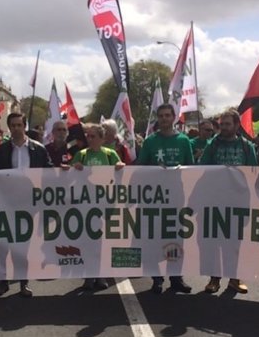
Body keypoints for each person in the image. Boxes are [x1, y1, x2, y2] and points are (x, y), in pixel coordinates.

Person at [0, 112, 53, 298]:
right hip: (7, 202)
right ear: (9, 127)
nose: (16, 129)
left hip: (30, 203)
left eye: (19, 125)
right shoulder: (1, 150)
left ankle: (23, 282)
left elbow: (48, 171)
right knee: (4, 243)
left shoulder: (39, 149)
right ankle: (3, 282)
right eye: (13, 125)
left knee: (25, 244)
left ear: (25, 126)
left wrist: (62, 171)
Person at [137, 103, 193, 294]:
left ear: (174, 117)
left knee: (176, 238)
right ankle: (157, 278)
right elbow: (141, 167)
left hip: (177, 198)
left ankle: (176, 277)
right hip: (154, 199)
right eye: (161, 116)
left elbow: (191, 169)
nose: (164, 119)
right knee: (154, 238)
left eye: (167, 115)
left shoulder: (184, 141)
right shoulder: (150, 142)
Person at [199, 109, 256, 295]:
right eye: (221, 124)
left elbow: (254, 173)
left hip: (239, 201)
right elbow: (202, 169)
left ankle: (235, 279)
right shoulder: (212, 145)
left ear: (237, 125)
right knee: (215, 241)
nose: (223, 128)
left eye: (227, 124)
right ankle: (214, 279)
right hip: (216, 202)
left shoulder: (247, 147)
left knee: (236, 243)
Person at [70, 123, 125, 291]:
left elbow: (120, 174)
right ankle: (88, 275)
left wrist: (120, 166)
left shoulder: (110, 154)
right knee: (87, 242)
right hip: (86, 206)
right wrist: (74, 167)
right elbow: (68, 177)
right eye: (88, 136)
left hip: (105, 205)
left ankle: (101, 275)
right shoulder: (81, 155)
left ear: (102, 139)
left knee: (103, 241)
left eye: (94, 136)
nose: (90, 139)